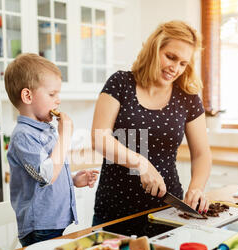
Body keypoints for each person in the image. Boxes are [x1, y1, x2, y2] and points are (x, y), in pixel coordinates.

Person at [91, 20, 212, 226]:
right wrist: (141, 163)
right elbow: (99, 138)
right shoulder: (120, 83)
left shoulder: (187, 98)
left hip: (168, 209)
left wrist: (196, 188)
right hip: (115, 207)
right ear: (154, 49)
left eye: (183, 63)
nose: (175, 68)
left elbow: (202, 154)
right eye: (171, 57)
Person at [4, 53, 99, 246]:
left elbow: (46, 174)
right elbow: (45, 176)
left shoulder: (45, 130)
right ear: (27, 96)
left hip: (53, 222)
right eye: (52, 94)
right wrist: (65, 136)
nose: (58, 100)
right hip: (40, 226)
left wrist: (71, 180)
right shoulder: (23, 135)